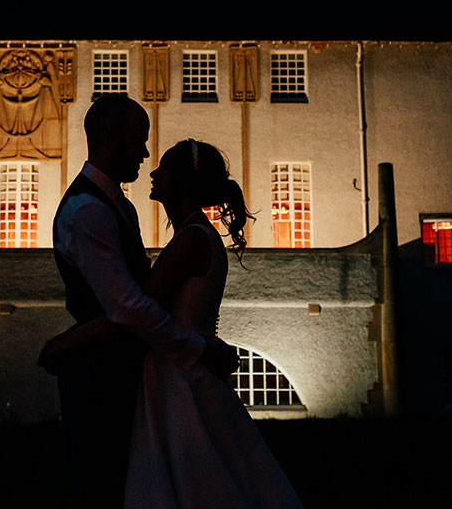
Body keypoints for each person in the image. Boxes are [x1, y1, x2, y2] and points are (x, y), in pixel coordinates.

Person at [43, 137, 304, 509]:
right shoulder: (193, 235)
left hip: (178, 377)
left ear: (180, 181)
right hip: (181, 368)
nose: (153, 171)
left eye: (163, 166)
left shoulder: (192, 240)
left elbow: (133, 309)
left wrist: (66, 342)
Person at [41, 95, 239, 508]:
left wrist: (66, 342)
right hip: (100, 380)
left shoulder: (119, 209)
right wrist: (200, 349)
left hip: (130, 375)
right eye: (138, 140)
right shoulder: (89, 211)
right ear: (110, 139)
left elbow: (133, 304)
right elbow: (127, 307)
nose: (145, 154)